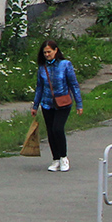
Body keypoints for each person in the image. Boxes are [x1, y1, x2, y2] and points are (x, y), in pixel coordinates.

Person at [32, 39, 83, 172]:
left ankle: (63, 157)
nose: (47, 55)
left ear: (56, 51)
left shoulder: (65, 65)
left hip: (63, 103)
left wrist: (79, 103)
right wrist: (35, 106)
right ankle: (55, 159)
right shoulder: (42, 68)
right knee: (50, 131)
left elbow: (74, 84)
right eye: (44, 52)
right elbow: (39, 88)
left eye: (49, 52)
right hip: (47, 103)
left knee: (57, 129)